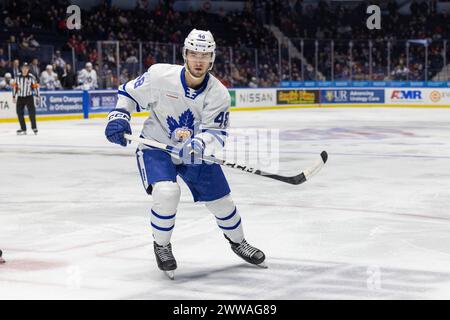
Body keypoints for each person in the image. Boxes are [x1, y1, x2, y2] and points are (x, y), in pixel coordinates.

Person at [104, 29, 266, 280]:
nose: (198, 60)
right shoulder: (160, 75)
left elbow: (216, 133)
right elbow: (128, 94)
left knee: (222, 203)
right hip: (156, 146)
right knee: (167, 193)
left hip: (193, 151)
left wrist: (199, 144)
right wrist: (119, 116)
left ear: (212, 58)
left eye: (204, 55)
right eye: (194, 54)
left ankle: (238, 242)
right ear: (185, 54)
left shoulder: (218, 93)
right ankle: (162, 245)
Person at [12, 62, 39, 135]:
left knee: (32, 113)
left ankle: (34, 127)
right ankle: (23, 128)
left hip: (29, 97)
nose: (25, 69)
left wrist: (37, 96)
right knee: (19, 113)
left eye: (26, 68)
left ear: (28, 69)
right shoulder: (17, 76)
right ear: (21, 69)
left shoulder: (31, 77)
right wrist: (14, 96)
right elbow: (15, 86)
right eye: (23, 68)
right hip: (20, 97)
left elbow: (35, 86)